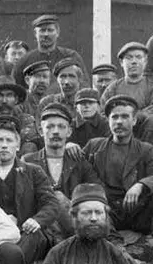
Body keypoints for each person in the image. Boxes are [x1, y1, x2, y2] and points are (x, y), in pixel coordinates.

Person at [84, 96, 153, 264]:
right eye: (114, 117)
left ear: (134, 120)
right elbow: (79, 171)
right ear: (108, 120)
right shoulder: (94, 147)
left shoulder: (145, 149)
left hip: (138, 211)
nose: (119, 122)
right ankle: (117, 248)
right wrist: (69, 147)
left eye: (125, 117)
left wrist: (140, 184)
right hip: (109, 212)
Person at [0, 115, 61, 264]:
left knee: (29, 240)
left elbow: (51, 203)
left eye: (9, 140)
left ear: (17, 145)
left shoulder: (33, 172)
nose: (4, 145)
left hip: (27, 234)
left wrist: (37, 220)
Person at [23, 102, 101, 245]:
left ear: (69, 132)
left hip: (75, 223)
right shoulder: (28, 161)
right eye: (50, 127)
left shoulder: (78, 160)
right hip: (42, 227)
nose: (56, 131)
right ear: (41, 130)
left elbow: (95, 190)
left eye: (61, 126)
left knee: (59, 198)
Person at [102, 42, 153, 153]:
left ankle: (148, 162)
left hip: (145, 134)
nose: (134, 62)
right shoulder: (112, 88)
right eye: (129, 58)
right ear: (122, 62)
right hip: (118, 132)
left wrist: (131, 116)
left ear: (145, 62)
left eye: (138, 57)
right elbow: (103, 113)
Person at [13, 15, 84, 85]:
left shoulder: (71, 56)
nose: (46, 34)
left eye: (50, 30)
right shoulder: (25, 61)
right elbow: (16, 87)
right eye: (42, 30)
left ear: (57, 32)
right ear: (35, 33)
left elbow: (83, 83)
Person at [0, 74, 41, 153]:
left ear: (16, 99)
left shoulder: (26, 120)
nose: (4, 101)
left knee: (29, 146)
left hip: (19, 159)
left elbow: (32, 138)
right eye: (0, 96)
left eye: (9, 95)